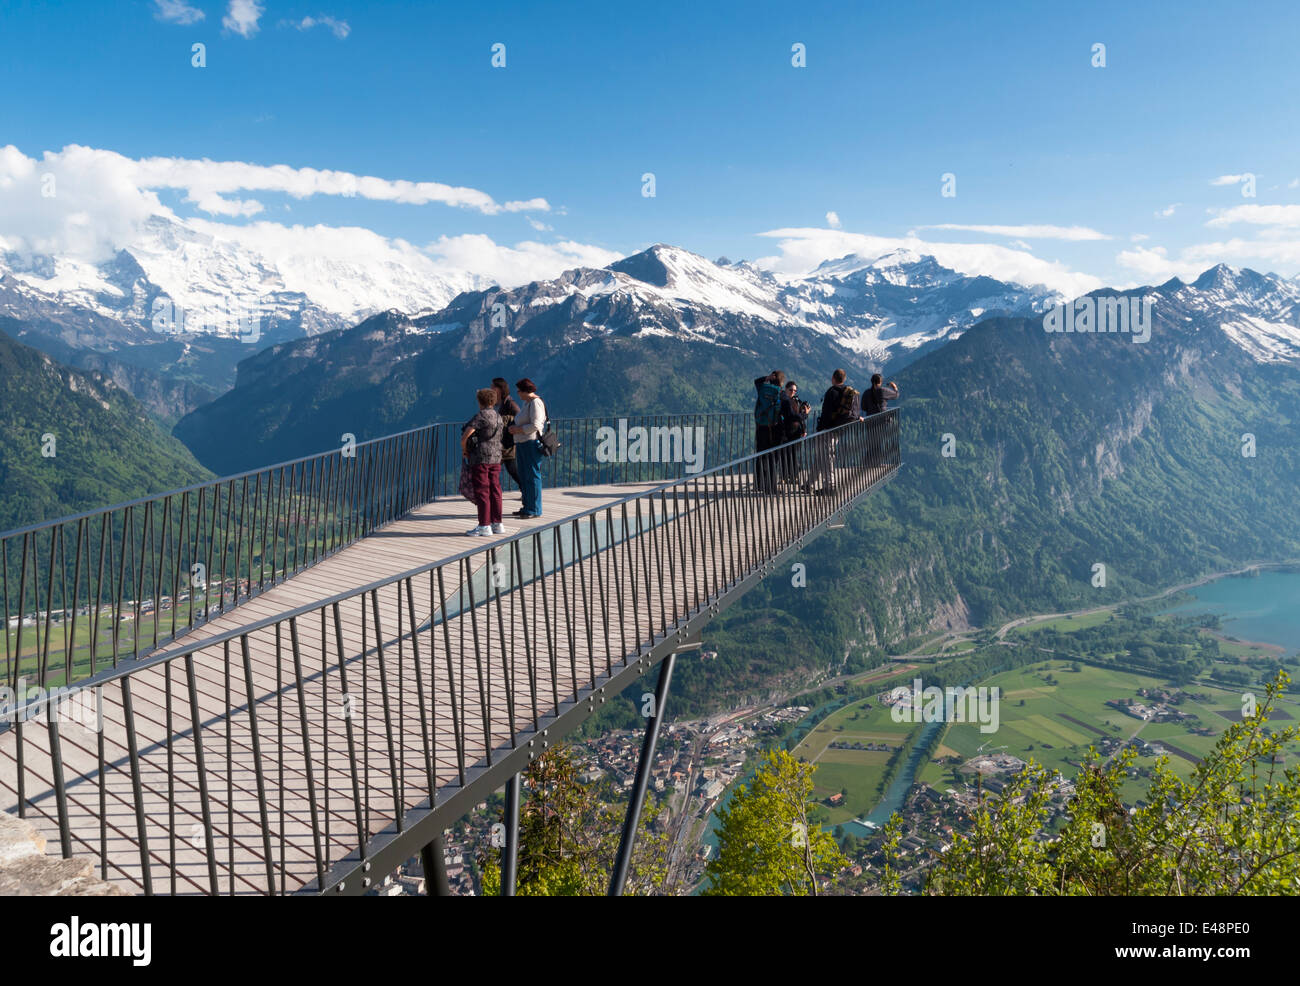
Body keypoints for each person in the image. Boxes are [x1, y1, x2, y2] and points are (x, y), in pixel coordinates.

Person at [462, 387, 508, 536]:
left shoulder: (481, 416)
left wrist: (465, 449)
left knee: (482, 491)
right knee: (495, 490)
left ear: (480, 401)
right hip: (496, 457)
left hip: (481, 457)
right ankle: (497, 524)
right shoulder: (498, 416)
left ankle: (484, 525)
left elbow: (466, 435)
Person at [813, 368, 858, 495]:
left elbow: (826, 413)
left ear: (833, 378)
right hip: (839, 429)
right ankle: (810, 482)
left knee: (827, 458)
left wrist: (820, 428)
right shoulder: (848, 392)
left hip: (828, 429)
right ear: (844, 379)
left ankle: (830, 487)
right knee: (823, 455)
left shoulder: (831, 392)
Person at [509, 378, 547, 518]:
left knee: (532, 475)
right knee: (525, 475)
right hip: (522, 443)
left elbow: (536, 425)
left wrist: (518, 430)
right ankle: (527, 506)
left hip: (531, 443)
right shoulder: (527, 403)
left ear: (525, 391)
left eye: (519, 391)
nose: (518, 393)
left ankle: (534, 509)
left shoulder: (536, 403)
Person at [754, 370, 785, 492]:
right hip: (775, 429)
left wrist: (766, 377)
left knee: (760, 454)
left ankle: (759, 484)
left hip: (761, 426)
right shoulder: (780, 394)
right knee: (773, 457)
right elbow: (787, 412)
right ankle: (771, 486)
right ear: (781, 383)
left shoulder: (762, 389)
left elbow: (756, 381)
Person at [492, 377, 523, 493]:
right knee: (508, 469)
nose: (491, 388)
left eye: (493, 386)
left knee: (512, 469)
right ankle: (525, 489)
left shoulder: (510, 403)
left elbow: (519, 416)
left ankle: (525, 489)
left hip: (508, 442)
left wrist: (512, 428)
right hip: (501, 442)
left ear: (499, 389)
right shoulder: (500, 402)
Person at [779, 380, 810, 487]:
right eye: (791, 390)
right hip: (785, 431)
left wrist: (803, 429)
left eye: (795, 390)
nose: (793, 392)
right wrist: (805, 415)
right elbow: (795, 416)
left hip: (795, 431)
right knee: (785, 454)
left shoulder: (796, 401)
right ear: (786, 389)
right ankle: (784, 477)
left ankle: (793, 476)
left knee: (793, 454)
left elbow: (800, 418)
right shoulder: (784, 401)